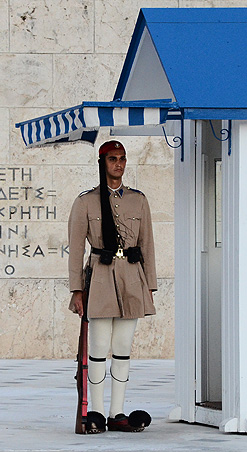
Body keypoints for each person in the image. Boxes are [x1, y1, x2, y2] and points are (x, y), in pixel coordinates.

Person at [68, 140, 157, 434]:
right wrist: (77, 290)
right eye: (112, 159)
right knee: (98, 347)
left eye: (122, 159)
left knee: (122, 348)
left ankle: (116, 412)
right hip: (102, 277)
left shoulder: (138, 200)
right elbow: (76, 249)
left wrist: (150, 285)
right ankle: (94, 410)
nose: (118, 164)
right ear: (102, 163)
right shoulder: (86, 202)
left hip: (131, 278)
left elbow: (147, 245)